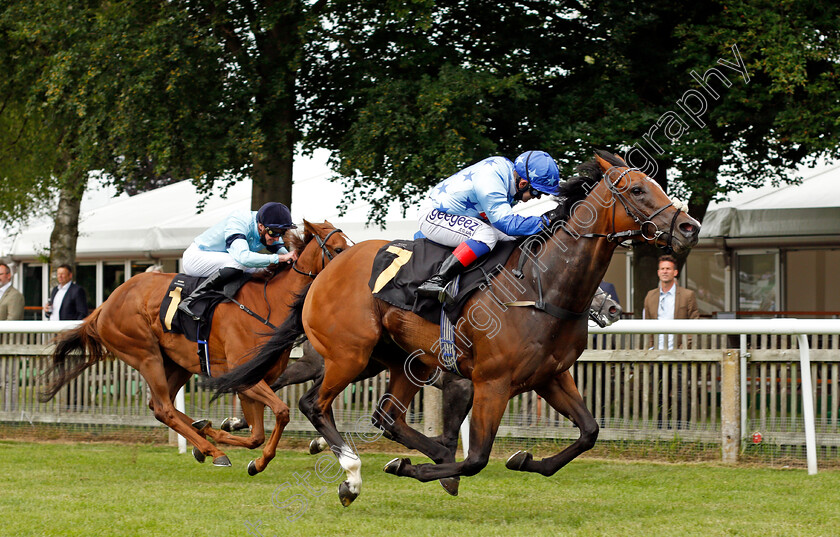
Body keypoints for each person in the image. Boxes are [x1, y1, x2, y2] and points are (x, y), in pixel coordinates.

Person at [416, 150, 561, 302]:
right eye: (537, 193)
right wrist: (544, 222)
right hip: (434, 215)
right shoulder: (492, 182)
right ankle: (437, 281)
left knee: (513, 237)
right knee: (486, 235)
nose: (537, 198)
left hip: (458, 214)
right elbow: (507, 223)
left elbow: (511, 230)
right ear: (523, 183)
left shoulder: (509, 174)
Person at [178, 202, 298, 319]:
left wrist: (291, 258)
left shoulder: (267, 228)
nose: (277, 237)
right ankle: (191, 300)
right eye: (274, 232)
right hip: (196, 257)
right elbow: (243, 258)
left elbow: (281, 251)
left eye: (282, 233)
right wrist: (280, 258)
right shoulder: (239, 221)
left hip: (221, 259)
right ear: (261, 226)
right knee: (239, 263)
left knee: (265, 269)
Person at [643, 254, 699, 349]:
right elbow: (647, 324)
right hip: (655, 352)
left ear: (675, 272)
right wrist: (650, 347)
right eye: (662, 269)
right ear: (658, 272)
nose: (665, 271)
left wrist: (683, 348)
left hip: (679, 352)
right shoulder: (650, 296)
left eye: (668, 269)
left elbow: (694, 323)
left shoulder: (687, 295)